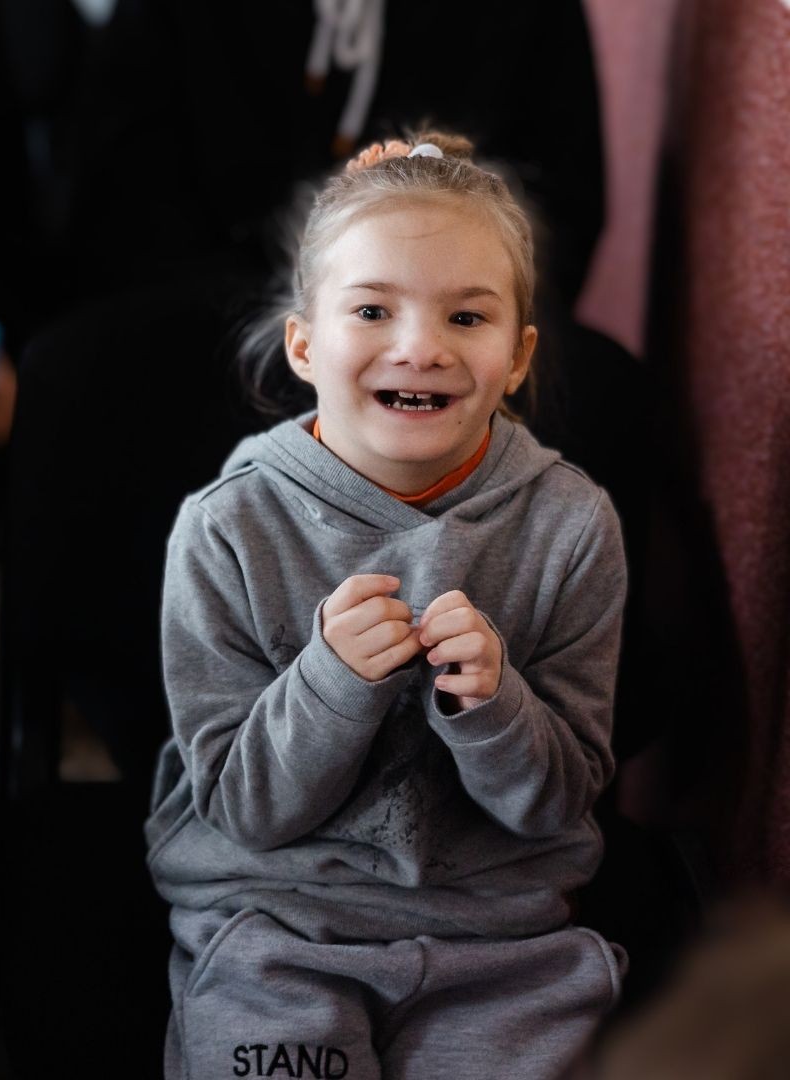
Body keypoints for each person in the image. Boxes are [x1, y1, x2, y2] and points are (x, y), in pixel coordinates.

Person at [144, 132, 628, 1079]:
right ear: (304, 344)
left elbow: (559, 802)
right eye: (373, 309)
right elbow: (245, 808)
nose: (420, 348)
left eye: (467, 316)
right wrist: (327, 685)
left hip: (504, 944)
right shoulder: (226, 528)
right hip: (277, 925)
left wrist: (494, 708)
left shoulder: (572, 525)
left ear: (518, 355)